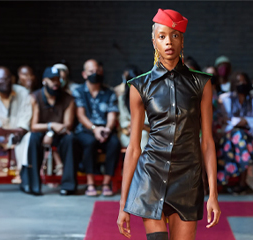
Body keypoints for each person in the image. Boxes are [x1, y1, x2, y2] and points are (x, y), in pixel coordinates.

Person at [117, 9, 221, 240]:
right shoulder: (139, 86)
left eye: (174, 35)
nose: (168, 42)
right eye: (162, 36)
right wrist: (123, 203)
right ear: (153, 41)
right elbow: (134, 148)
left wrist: (213, 194)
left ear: (182, 40)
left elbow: (207, 143)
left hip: (188, 178)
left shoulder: (201, 84)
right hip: (150, 175)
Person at [22, 66, 78, 196]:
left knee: (71, 139)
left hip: (60, 133)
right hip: (42, 131)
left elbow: (67, 125)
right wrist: (50, 128)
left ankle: (68, 186)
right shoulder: (35, 97)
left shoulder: (68, 99)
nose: (55, 83)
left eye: (58, 79)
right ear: (44, 81)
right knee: (33, 138)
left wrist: (52, 133)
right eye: (52, 80)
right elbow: (33, 126)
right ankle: (34, 185)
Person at [73, 59, 121, 197]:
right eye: (91, 72)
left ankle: (106, 183)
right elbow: (81, 116)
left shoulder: (109, 92)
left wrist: (106, 129)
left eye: (98, 71)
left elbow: (112, 115)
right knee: (90, 142)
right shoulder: (78, 92)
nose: (95, 74)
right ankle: (90, 183)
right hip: (85, 130)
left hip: (105, 129)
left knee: (114, 143)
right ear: (84, 74)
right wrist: (94, 129)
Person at [217, 72, 253, 194]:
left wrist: (245, 121)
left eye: (244, 81)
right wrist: (237, 122)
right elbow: (222, 120)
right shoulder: (225, 99)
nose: (242, 84)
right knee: (240, 135)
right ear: (234, 84)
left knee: (242, 137)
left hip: (250, 135)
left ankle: (238, 183)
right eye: (239, 82)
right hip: (229, 136)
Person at [117, 65, 150, 151]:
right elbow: (123, 122)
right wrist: (134, 126)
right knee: (140, 135)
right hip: (128, 133)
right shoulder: (122, 99)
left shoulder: (149, 98)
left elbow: (149, 122)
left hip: (147, 131)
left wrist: (142, 126)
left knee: (143, 134)